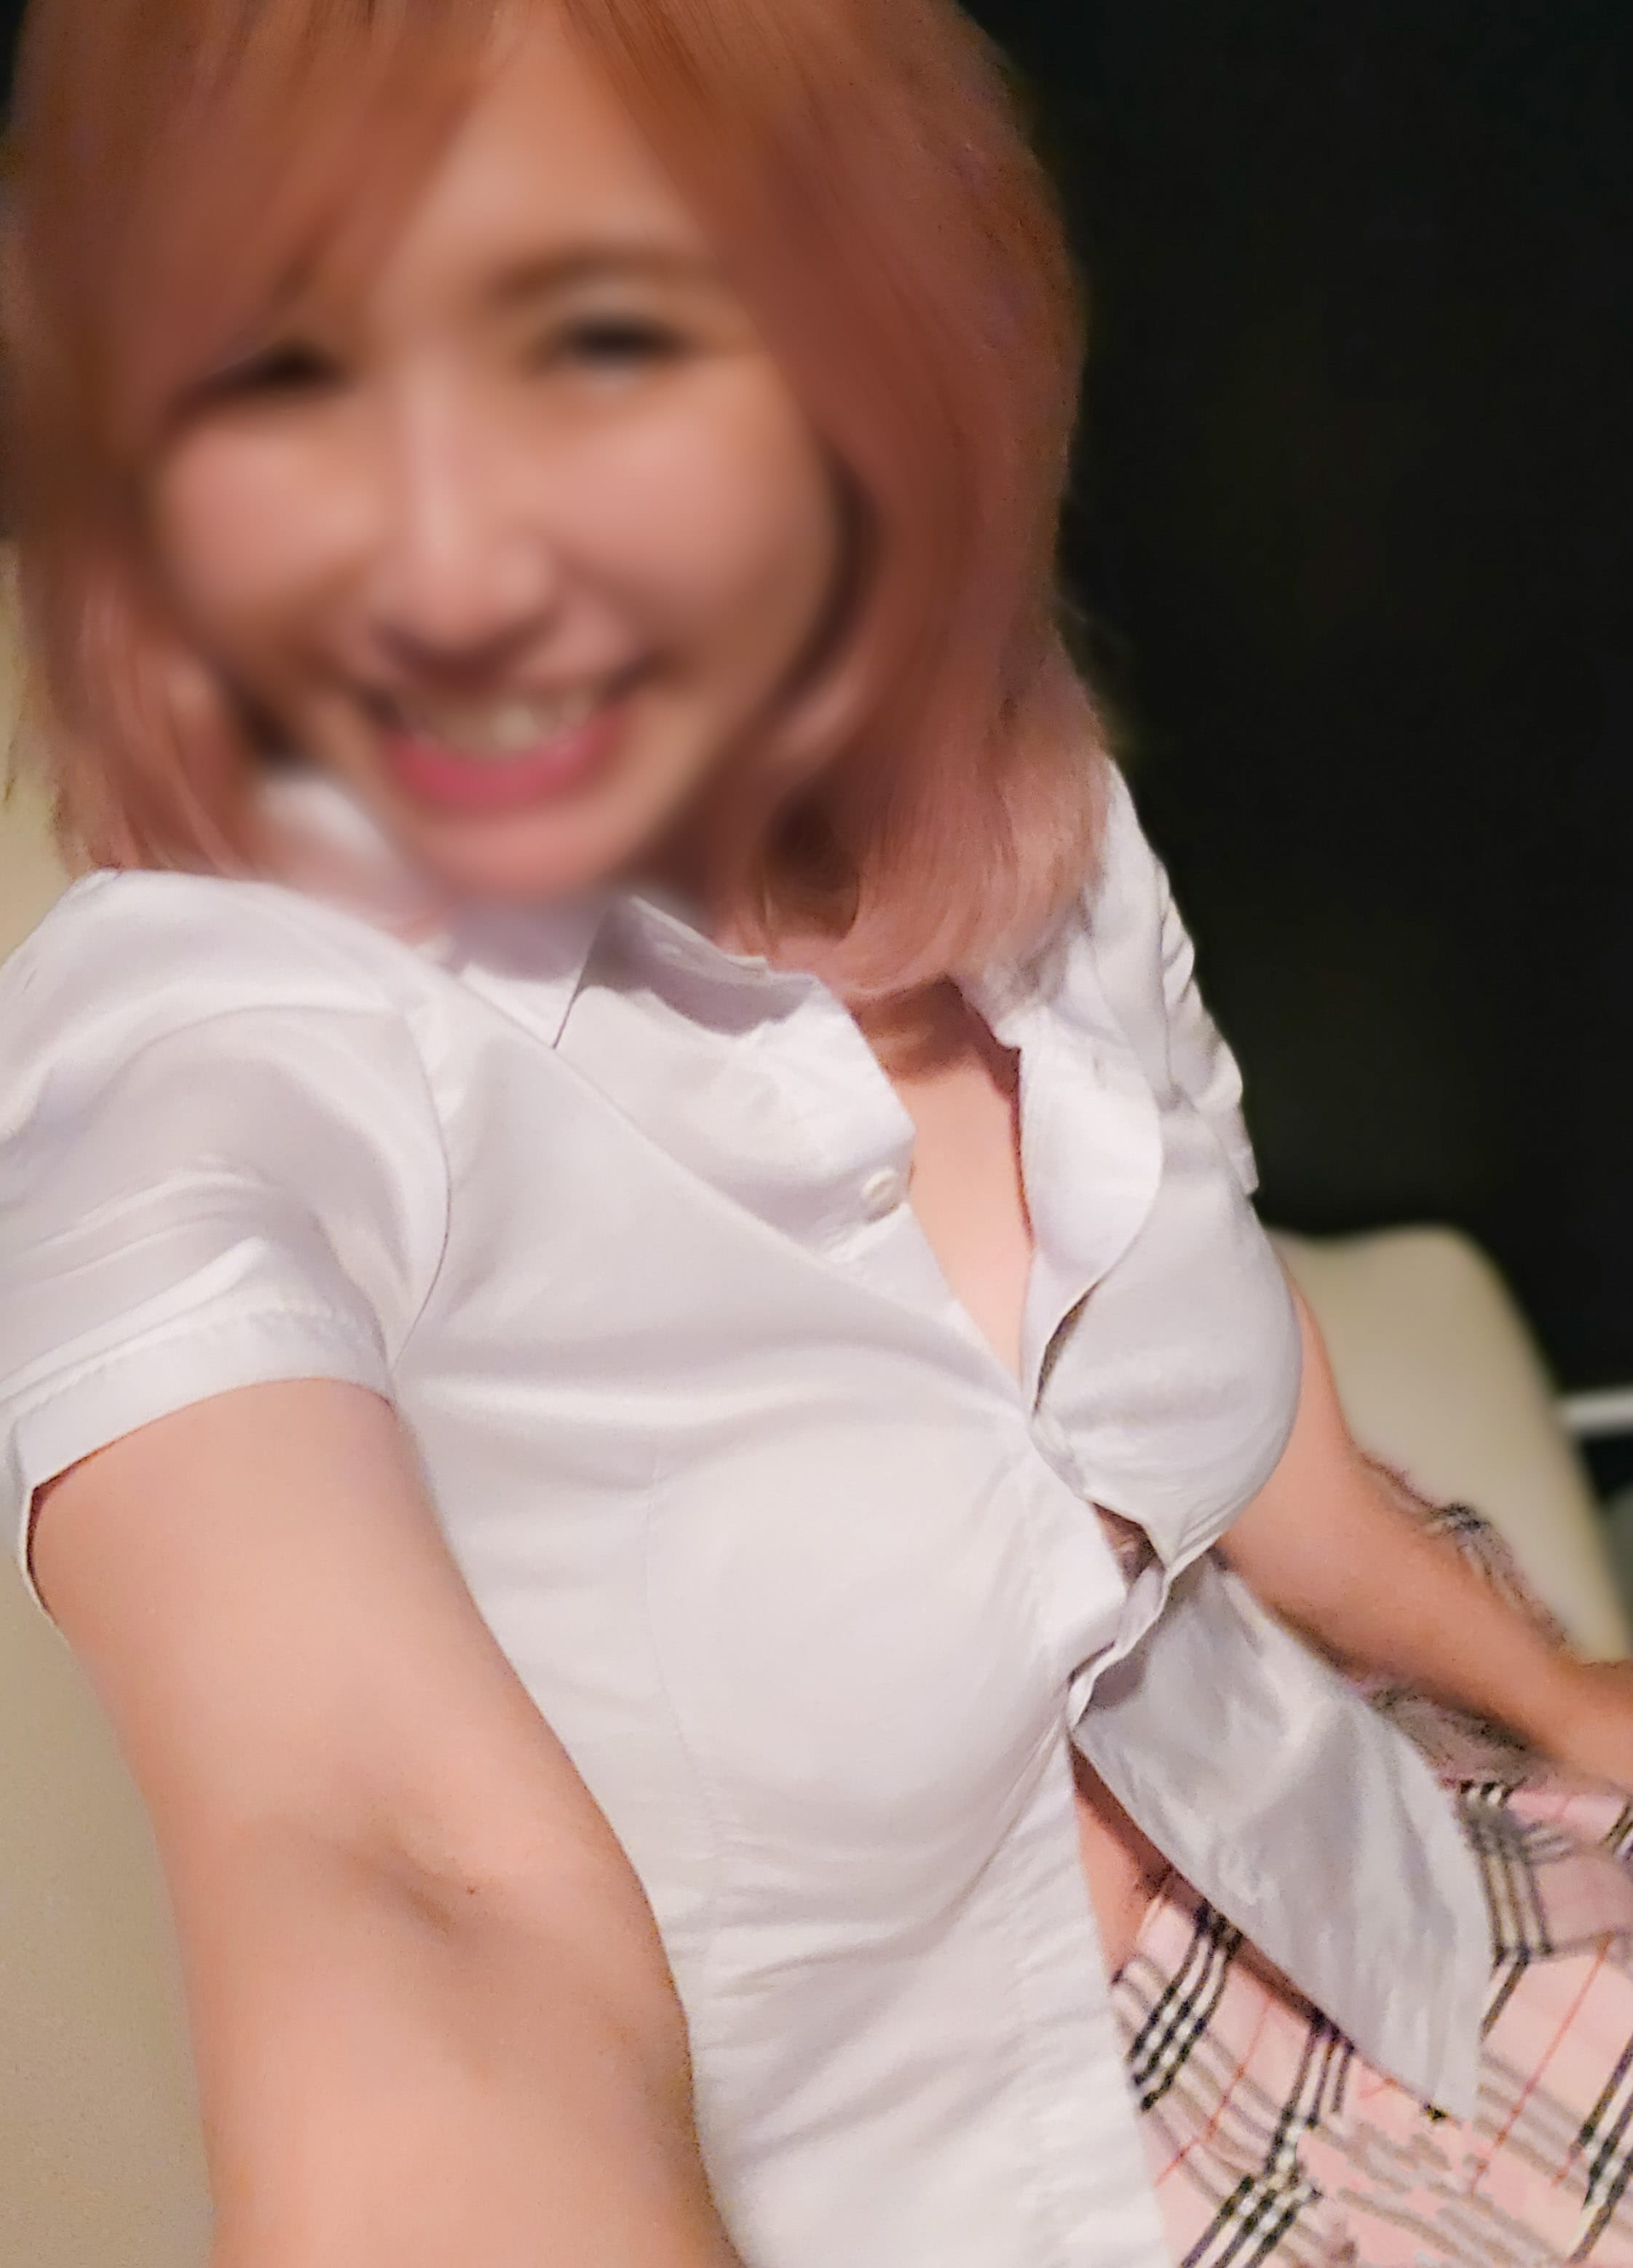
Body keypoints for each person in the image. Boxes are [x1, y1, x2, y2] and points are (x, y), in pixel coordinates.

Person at [1, 2, 1631, 2263]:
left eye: (596, 337)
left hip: (1361, 1901)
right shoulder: (222, 1033)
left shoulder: (1019, 806)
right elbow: (396, 1877)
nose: (442, 541)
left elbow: (1254, 1419)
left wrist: (1557, 1697)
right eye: (285, 370)